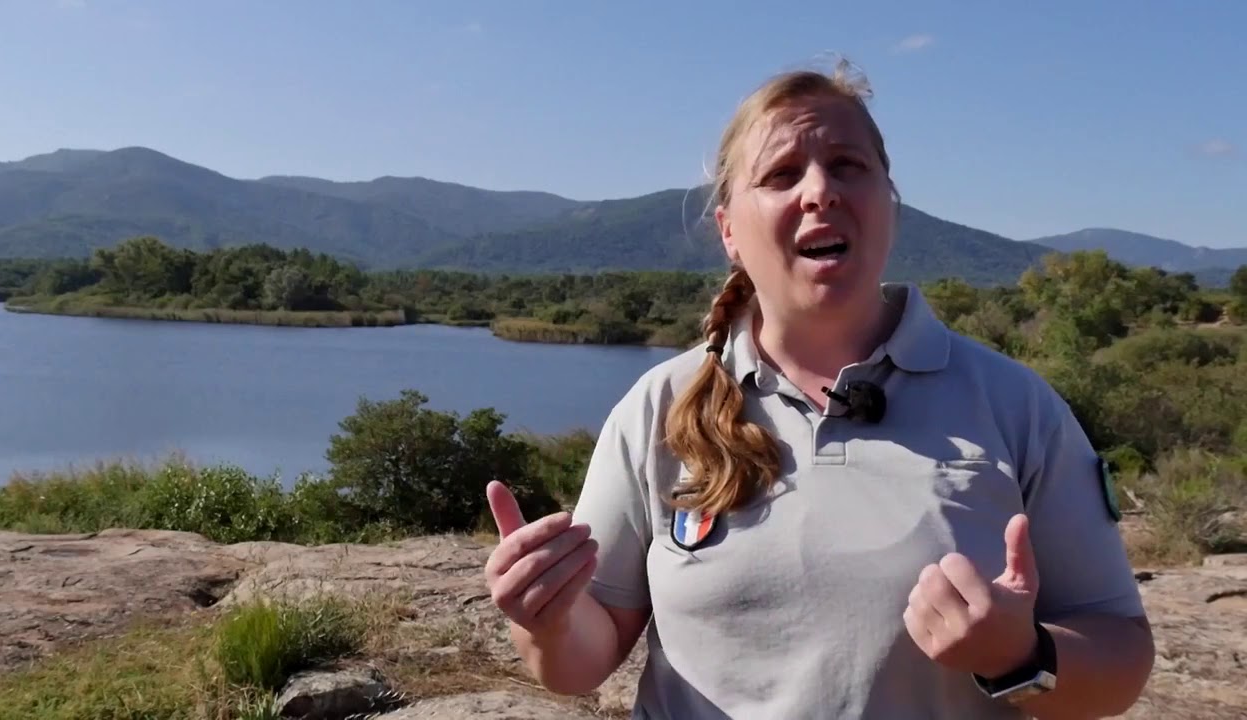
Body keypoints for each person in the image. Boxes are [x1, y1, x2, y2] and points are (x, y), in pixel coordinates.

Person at [483, 59, 1155, 719]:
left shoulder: (1014, 406)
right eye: (780, 175)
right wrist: (546, 619)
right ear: (729, 232)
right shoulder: (658, 409)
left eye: (848, 166)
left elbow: (1118, 655)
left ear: (890, 203)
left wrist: (1022, 655)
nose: (819, 191)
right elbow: (579, 665)